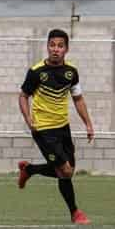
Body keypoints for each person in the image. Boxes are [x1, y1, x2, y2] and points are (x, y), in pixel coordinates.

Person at [18, 29, 94, 225]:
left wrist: (88, 123)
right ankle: (75, 212)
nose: (55, 49)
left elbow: (78, 99)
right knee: (65, 171)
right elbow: (23, 96)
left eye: (60, 46)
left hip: (63, 128)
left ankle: (30, 170)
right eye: (52, 45)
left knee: (69, 170)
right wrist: (28, 118)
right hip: (43, 129)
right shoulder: (36, 72)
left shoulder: (71, 72)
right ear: (47, 47)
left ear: (66, 49)